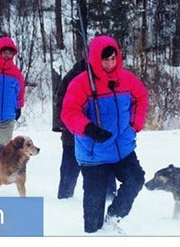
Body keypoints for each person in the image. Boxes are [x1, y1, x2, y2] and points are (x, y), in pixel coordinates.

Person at [60, 35, 148, 233]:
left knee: (136, 179)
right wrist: (88, 128)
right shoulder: (81, 83)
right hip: (94, 154)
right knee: (93, 208)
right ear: (94, 59)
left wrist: (135, 124)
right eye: (104, 59)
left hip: (122, 148)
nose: (109, 63)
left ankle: (114, 217)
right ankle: (94, 234)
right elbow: (69, 112)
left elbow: (141, 96)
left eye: (113, 58)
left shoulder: (126, 79)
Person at [52, 59, 116, 201]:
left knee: (106, 166)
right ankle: (64, 199)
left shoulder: (109, 74)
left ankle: (110, 198)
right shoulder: (73, 74)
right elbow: (60, 99)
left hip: (100, 132)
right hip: (73, 132)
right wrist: (60, 124)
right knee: (69, 167)